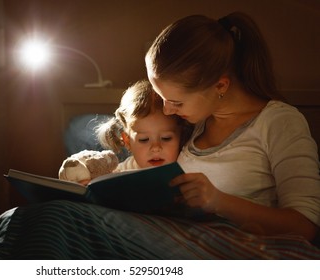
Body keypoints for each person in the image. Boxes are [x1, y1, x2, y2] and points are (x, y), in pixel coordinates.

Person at [145, 12, 320, 241]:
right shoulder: (195, 124)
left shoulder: (279, 122)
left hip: (233, 248)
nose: (167, 110)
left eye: (176, 102)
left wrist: (218, 201)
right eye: (163, 99)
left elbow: (305, 226)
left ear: (220, 85)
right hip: (179, 238)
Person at [95, 79, 191, 172]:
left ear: (181, 136)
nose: (156, 148)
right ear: (128, 142)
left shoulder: (188, 168)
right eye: (144, 140)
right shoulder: (121, 172)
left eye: (166, 138)